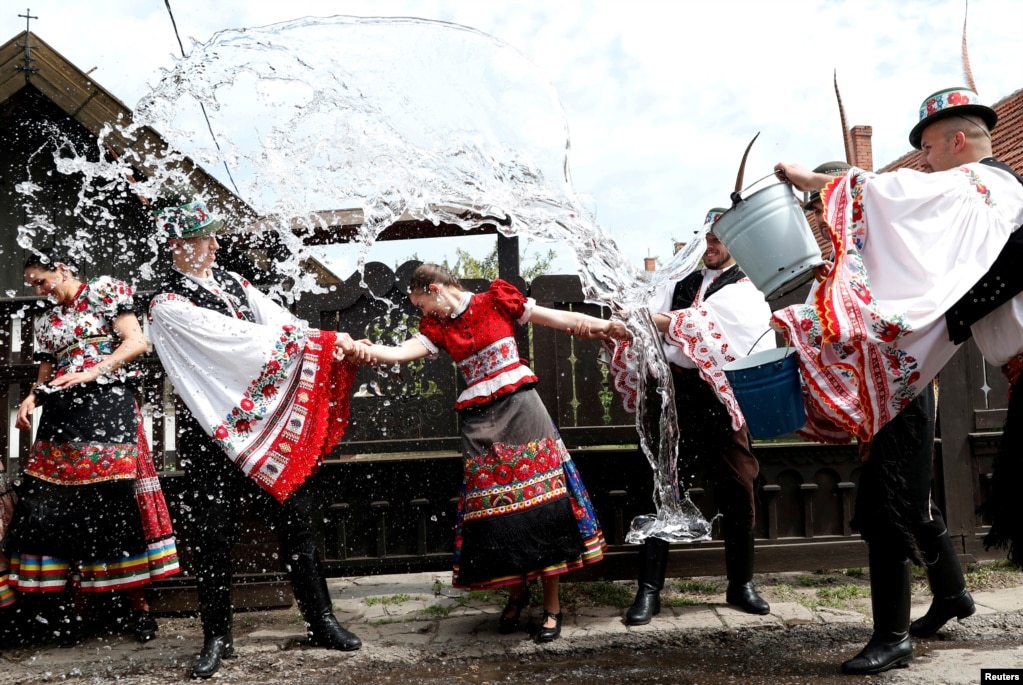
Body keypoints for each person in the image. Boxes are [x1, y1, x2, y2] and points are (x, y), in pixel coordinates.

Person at [772, 86, 1023, 675]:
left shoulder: (983, 187)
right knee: (906, 505)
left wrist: (815, 181)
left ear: (958, 141)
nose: (925, 164)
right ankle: (950, 597)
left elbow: (902, 196)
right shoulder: (980, 206)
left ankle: (893, 634)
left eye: (930, 150)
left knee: (893, 504)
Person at [146, 189, 371, 678]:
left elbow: (282, 324)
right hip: (211, 431)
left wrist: (329, 346)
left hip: (266, 427)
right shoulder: (165, 301)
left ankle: (322, 620)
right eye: (201, 239)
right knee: (212, 533)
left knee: (297, 519)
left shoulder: (234, 283)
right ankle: (216, 637)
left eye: (210, 238)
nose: (212, 247)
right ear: (177, 245)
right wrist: (321, 341)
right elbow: (239, 342)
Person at [356, 263, 612, 643]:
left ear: (434, 288)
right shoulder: (438, 328)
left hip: (524, 412)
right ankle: (516, 592)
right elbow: (399, 352)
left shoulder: (498, 299)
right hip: (479, 422)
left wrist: (604, 326)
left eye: (421, 303)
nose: (422, 312)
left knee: (544, 506)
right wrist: (368, 349)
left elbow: (556, 318)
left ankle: (552, 607)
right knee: (496, 512)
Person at [601, 212, 776, 625]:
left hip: (718, 395)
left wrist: (651, 323)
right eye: (706, 238)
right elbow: (650, 321)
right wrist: (625, 322)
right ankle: (649, 590)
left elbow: (699, 324)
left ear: (735, 243)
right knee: (662, 486)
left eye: (717, 239)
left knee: (739, 482)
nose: (709, 246)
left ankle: (741, 584)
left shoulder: (747, 288)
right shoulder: (677, 282)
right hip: (675, 395)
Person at [2, 253, 179, 646]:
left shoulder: (104, 291)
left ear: (62, 269)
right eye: (32, 283)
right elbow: (47, 372)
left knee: (117, 499)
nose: (38, 289)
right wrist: (32, 397)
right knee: (62, 506)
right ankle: (78, 610)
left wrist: (94, 370)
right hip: (63, 415)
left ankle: (139, 608)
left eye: (41, 281)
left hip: (108, 406)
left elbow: (137, 342)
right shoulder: (46, 321)